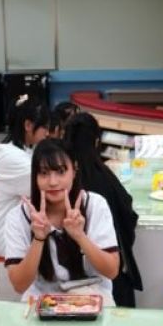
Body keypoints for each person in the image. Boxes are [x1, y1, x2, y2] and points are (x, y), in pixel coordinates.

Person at [4, 139, 121, 302]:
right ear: (35, 176)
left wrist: (80, 236)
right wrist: (38, 239)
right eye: (44, 173)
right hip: (42, 300)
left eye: (60, 171)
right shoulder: (18, 216)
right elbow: (19, 285)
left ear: (74, 170)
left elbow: (112, 271)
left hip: (92, 297)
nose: (53, 182)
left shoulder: (95, 205)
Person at [63, 112, 142, 307]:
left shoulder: (64, 180)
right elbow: (128, 213)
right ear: (96, 141)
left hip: (67, 277)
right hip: (110, 275)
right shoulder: (103, 175)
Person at [0, 96, 51, 257]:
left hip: (21, 225)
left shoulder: (20, 151)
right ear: (28, 125)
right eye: (45, 127)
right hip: (7, 238)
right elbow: (48, 188)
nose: (48, 133)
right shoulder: (12, 159)